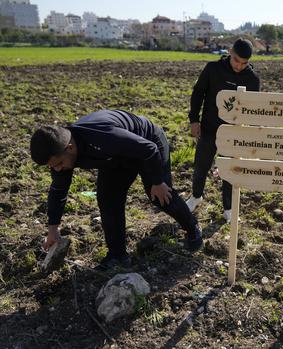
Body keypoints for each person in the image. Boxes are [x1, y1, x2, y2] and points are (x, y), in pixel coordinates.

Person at [30, 110, 203, 271]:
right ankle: (117, 255)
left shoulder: (100, 136)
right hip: (115, 157)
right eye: (53, 167)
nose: (58, 169)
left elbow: (149, 149)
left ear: (70, 147)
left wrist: (157, 182)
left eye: (59, 164)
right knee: (108, 199)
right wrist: (53, 227)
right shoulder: (58, 153)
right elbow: (58, 190)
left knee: (159, 195)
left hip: (147, 144)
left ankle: (192, 227)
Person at [186, 38, 260, 223]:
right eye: (236, 60)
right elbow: (198, 93)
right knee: (201, 165)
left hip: (234, 134)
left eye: (244, 63)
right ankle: (196, 197)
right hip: (209, 127)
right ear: (229, 52)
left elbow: (252, 109)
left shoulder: (252, 79)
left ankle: (228, 207)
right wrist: (194, 120)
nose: (239, 66)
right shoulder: (212, 69)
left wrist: (247, 134)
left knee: (229, 170)